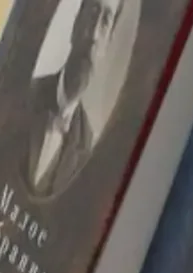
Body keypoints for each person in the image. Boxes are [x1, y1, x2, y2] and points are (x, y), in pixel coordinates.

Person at [26, 0, 125, 196]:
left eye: (105, 21)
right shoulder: (28, 94)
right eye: (92, 14)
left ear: (107, 46)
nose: (94, 35)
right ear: (76, 24)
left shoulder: (87, 148)